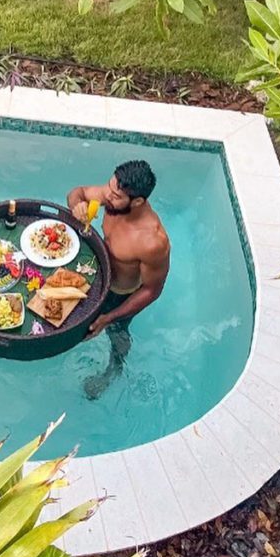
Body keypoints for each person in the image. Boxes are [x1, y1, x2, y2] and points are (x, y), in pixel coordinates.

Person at [67, 160, 171, 399]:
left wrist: (109, 317)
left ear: (137, 202)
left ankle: (114, 370)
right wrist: (77, 206)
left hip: (119, 294)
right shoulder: (114, 195)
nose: (107, 196)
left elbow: (152, 290)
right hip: (96, 273)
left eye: (116, 196)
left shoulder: (152, 241)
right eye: (109, 187)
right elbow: (78, 192)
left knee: (117, 332)